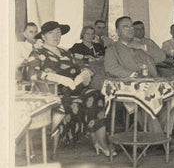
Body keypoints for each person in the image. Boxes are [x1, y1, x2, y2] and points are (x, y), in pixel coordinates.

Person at [26, 21, 113, 156]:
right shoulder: (37, 53)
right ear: (43, 36)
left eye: (58, 33)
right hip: (55, 94)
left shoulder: (66, 53)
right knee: (77, 102)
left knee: (96, 95)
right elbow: (31, 74)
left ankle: (100, 142)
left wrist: (85, 73)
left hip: (76, 90)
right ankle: (95, 141)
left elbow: (82, 67)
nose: (56, 36)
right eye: (51, 33)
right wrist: (56, 78)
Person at [104, 16, 174, 134]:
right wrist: (132, 74)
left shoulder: (143, 44)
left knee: (173, 98)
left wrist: (143, 47)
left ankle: (158, 136)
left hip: (154, 84)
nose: (130, 29)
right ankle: (161, 140)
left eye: (131, 26)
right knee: (144, 104)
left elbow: (161, 57)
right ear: (118, 32)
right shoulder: (112, 49)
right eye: (125, 27)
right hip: (132, 88)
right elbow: (111, 67)